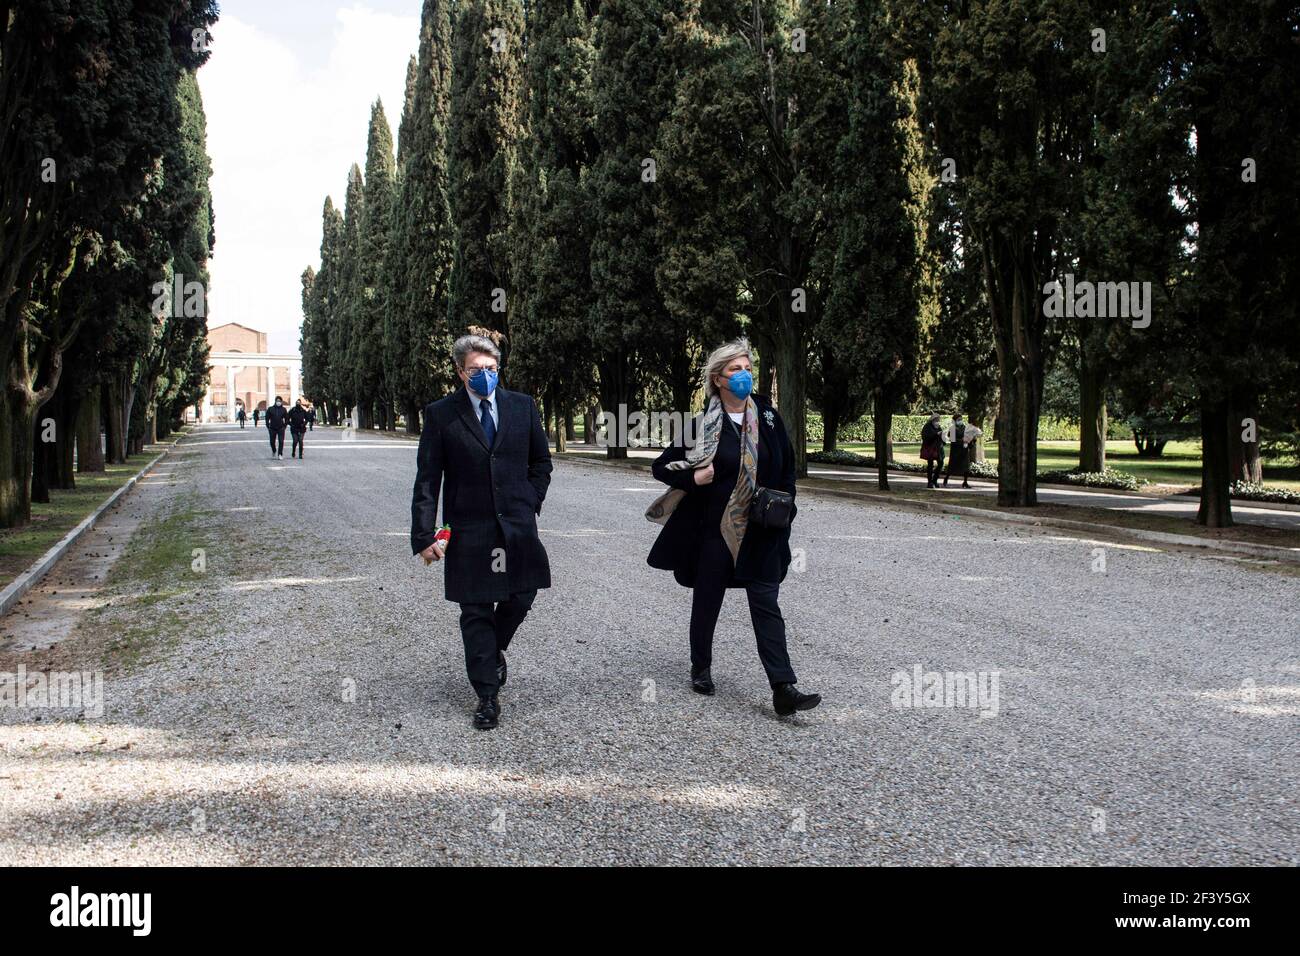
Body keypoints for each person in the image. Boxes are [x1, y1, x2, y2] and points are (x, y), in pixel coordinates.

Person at [646, 338, 821, 718]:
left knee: (766, 603)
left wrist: (785, 509)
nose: (744, 375)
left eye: (747, 368)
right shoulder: (701, 426)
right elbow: (661, 468)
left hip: (762, 530)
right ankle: (701, 667)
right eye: (735, 370)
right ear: (718, 379)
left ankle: (783, 687)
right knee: (708, 598)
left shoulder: (769, 419)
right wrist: (697, 478)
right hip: (715, 529)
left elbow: (788, 469)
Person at [410, 334, 553, 731]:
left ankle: (493, 651)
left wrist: (529, 499)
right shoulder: (441, 415)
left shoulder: (522, 407)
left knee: (522, 595)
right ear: (460, 372)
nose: (485, 376)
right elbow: (427, 480)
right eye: (476, 370)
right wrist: (424, 536)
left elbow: (541, 462)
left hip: (517, 527)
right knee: (475, 610)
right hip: (469, 530)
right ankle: (487, 695)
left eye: (491, 370)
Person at [942, 414, 982, 488]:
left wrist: (972, 439)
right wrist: (962, 441)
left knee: (966, 466)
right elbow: (953, 440)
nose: (960, 421)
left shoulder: (966, 428)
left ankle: (965, 482)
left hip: (964, 449)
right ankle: (946, 478)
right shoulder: (952, 428)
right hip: (955, 450)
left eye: (961, 419)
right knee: (952, 466)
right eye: (958, 419)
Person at [919, 413, 945, 488]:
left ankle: (935, 480)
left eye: (938, 420)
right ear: (933, 419)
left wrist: (943, 438)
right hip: (930, 448)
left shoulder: (938, 426)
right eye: (936, 419)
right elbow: (926, 437)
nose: (938, 421)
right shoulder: (927, 427)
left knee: (940, 463)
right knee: (930, 465)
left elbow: (941, 435)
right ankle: (930, 482)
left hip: (938, 448)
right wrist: (936, 434)